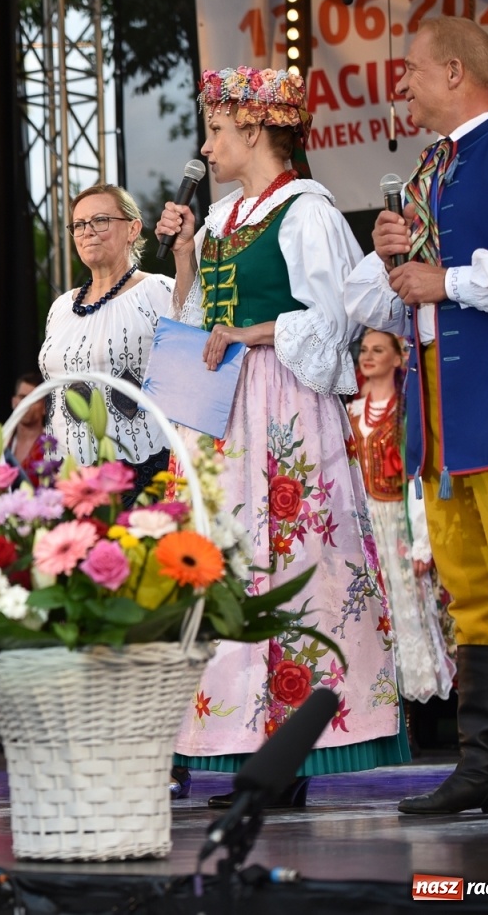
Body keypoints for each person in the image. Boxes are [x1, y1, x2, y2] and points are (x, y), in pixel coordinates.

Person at [154, 66, 405, 809]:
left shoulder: (308, 213)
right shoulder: (225, 218)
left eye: (218, 129)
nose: (207, 145)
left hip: (285, 403)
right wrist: (184, 260)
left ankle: (293, 750)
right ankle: (243, 748)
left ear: (256, 130)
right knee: (232, 566)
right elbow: (198, 324)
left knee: (296, 563)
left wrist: (250, 332)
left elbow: (331, 328)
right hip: (228, 407)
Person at [346, 16, 488, 817]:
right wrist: (390, 263)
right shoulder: (425, 174)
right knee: (470, 592)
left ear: (453, 73)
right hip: (439, 410)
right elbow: (393, 298)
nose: (401, 85)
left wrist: (447, 280)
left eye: (410, 71)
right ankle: (481, 765)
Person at [38, 184, 176, 495]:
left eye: (100, 220)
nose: (87, 232)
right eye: (79, 225)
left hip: (142, 467)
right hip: (67, 472)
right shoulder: (61, 306)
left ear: (133, 229)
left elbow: (192, 374)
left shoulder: (158, 291)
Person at [347, 329, 454, 707]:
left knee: (407, 609)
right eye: (364, 350)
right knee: (368, 613)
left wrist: (423, 540)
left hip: (399, 522)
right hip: (364, 525)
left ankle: (414, 702)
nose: (368, 356)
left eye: (379, 350)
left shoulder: (408, 412)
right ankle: (376, 700)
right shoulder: (350, 413)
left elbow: (418, 478)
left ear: (398, 358)